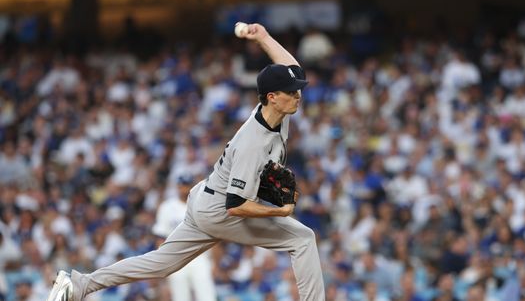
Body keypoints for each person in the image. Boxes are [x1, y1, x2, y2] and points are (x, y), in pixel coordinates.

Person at [46, 22, 326, 301]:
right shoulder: (252, 143)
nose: (298, 95)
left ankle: (80, 285)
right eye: (292, 91)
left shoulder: (276, 111)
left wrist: (263, 38)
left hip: (205, 200)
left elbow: (293, 69)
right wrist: (279, 212)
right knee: (301, 238)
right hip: (222, 209)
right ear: (272, 97)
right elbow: (236, 206)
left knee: (161, 263)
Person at [151, 175, 217, 301]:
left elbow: (213, 235)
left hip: (200, 256)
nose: (183, 188)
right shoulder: (167, 207)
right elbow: (160, 237)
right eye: (181, 186)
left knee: (207, 296)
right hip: (177, 257)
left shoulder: (202, 204)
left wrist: (214, 262)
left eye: (186, 185)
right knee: (180, 297)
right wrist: (163, 262)